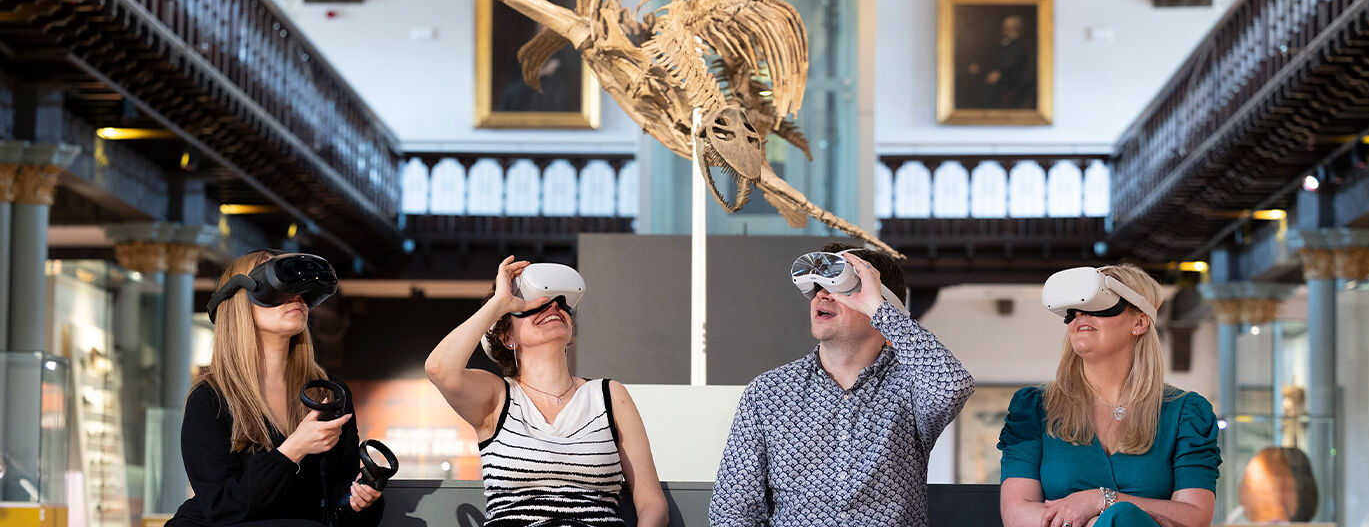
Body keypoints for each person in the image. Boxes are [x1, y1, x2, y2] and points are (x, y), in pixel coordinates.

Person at [709, 243, 975, 526]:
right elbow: (732, 511)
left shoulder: (911, 386)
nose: (822, 295)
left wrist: (882, 311)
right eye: (816, 286)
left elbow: (953, 386)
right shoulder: (768, 394)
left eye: (842, 286)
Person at [425, 256, 668, 526]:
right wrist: (499, 303)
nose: (553, 305)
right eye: (535, 304)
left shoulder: (610, 396)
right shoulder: (497, 397)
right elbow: (439, 369)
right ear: (507, 338)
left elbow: (651, 503)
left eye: (561, 302)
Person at [167, 251, 384, 527]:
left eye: (300, 290)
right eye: (276, 288)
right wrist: (293, 449)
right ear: (240, 301)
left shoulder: (329, 394)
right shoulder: (210, 400)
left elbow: (338, 508)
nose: (296, 298)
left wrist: (359, 500)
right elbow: (222, 508)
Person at [998, 265, 1220, 527]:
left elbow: (1195, 516)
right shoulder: (1033, 408)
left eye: (1098, 306)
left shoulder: (1187, 414)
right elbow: (1016, 513)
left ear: (1139, 322)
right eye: (1074, 311)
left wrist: (1103, 500)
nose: (1081, 316)